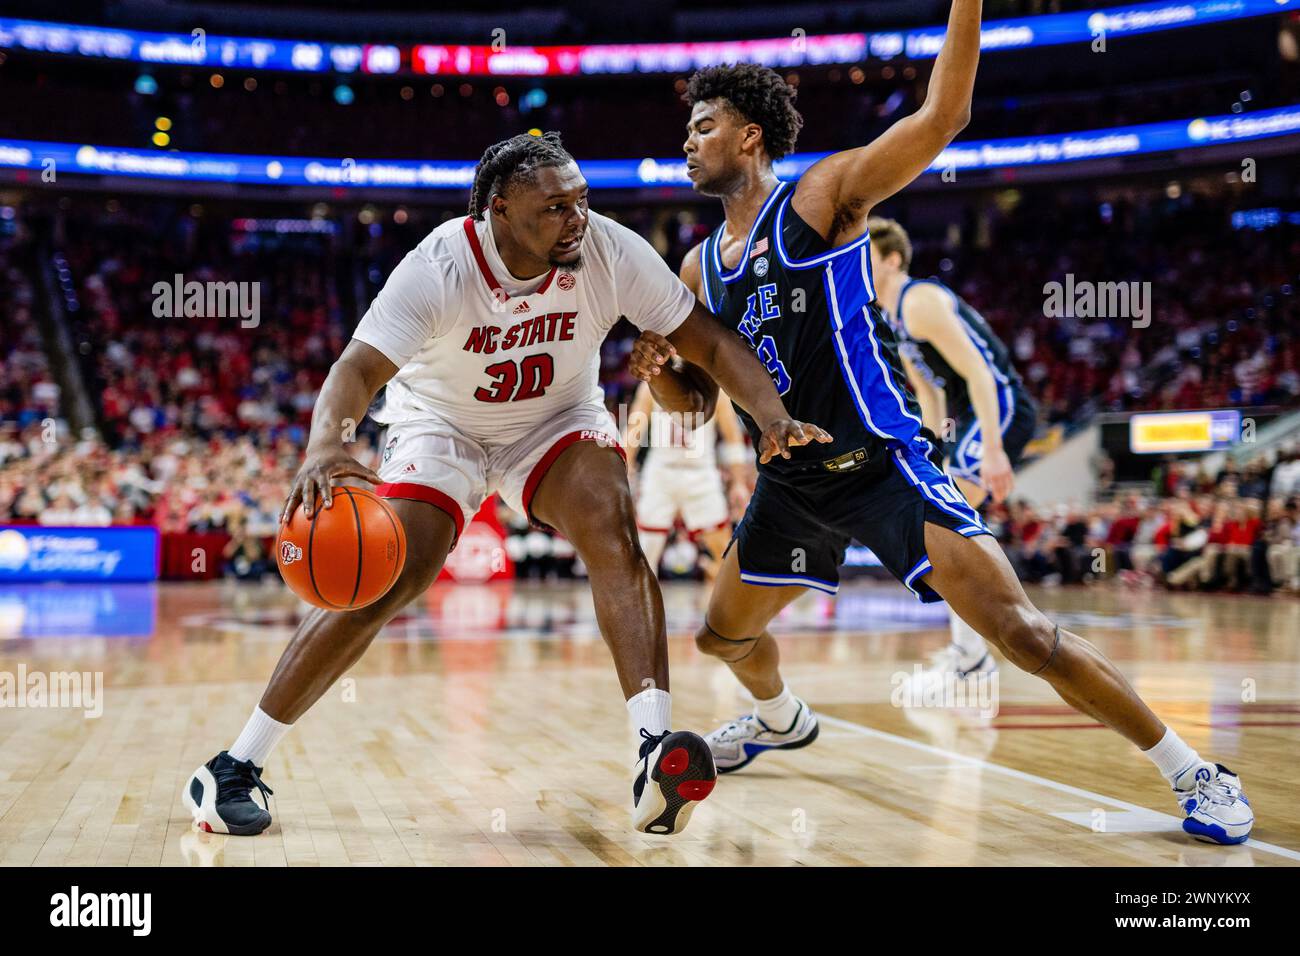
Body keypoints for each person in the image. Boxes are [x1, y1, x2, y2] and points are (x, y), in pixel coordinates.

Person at [629, 0, 1252, 844]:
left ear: (749, 137)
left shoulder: (820, 197)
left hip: (886, 466)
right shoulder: (700, 265)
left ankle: (1196, 771)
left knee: (1021, 633)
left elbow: (944, 114)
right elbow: (697, 405)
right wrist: (669, 371)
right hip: (792, 482)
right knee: (718, 637)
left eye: (704, 126)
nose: (687, 140)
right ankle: (779, 717)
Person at [183, 131, 828, 838]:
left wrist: (772, 417)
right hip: (443, 426)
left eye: (582, 201)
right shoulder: (437, 265)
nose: (576, 218)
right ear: (499, 211)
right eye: (555, 208)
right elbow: (356, 370)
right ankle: (233, 767)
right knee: (384, 578)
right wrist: (321, 449)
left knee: (612, 526)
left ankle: (652, 752)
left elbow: (709, 341)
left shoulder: (609, 250)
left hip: (554, 420)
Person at [867, 216, 1038, 692]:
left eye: (869, 254)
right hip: (971, 417)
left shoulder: (918, 300)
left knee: (944, 524)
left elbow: (982, 373)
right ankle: (971, 652)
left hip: (999, 405)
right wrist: (934, 446)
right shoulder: (890, 314)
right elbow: (930, 389)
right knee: (941, 522)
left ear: (893, 260)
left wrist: (996, 450)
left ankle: (971, 657)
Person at [624, 380, 751, 578]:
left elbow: (733, 436)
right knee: (645, 554)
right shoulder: (650, 383)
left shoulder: (714, 386)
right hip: (660, 472)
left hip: (701, 473)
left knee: (724, 553)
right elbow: (633, 431)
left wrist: (739, 483)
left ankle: (726, 606)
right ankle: (643, 608)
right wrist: (624, 468)